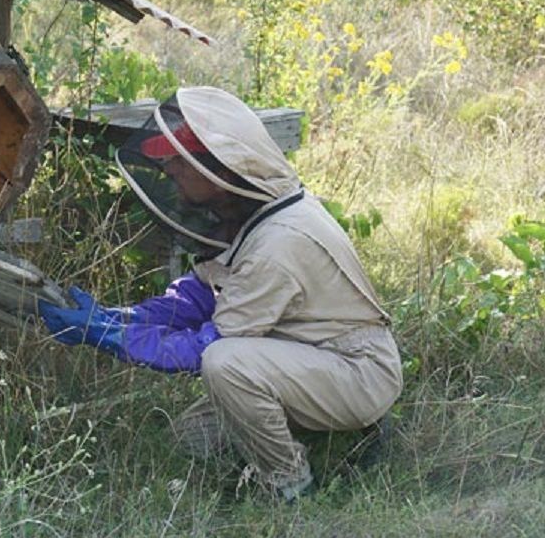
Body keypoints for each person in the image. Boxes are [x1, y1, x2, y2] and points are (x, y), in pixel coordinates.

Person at [37, 86, 402, 500]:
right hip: (303, 356)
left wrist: (112, 338)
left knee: (225, 363)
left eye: (178, 170)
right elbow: (198, 298)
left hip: (355, 371)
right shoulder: (255, 212)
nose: (172, 180)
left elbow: (207, 346)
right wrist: (120, 316)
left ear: (219, 173)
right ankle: (327, 438)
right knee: (190, 440)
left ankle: (289, 483)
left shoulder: (279, 244)